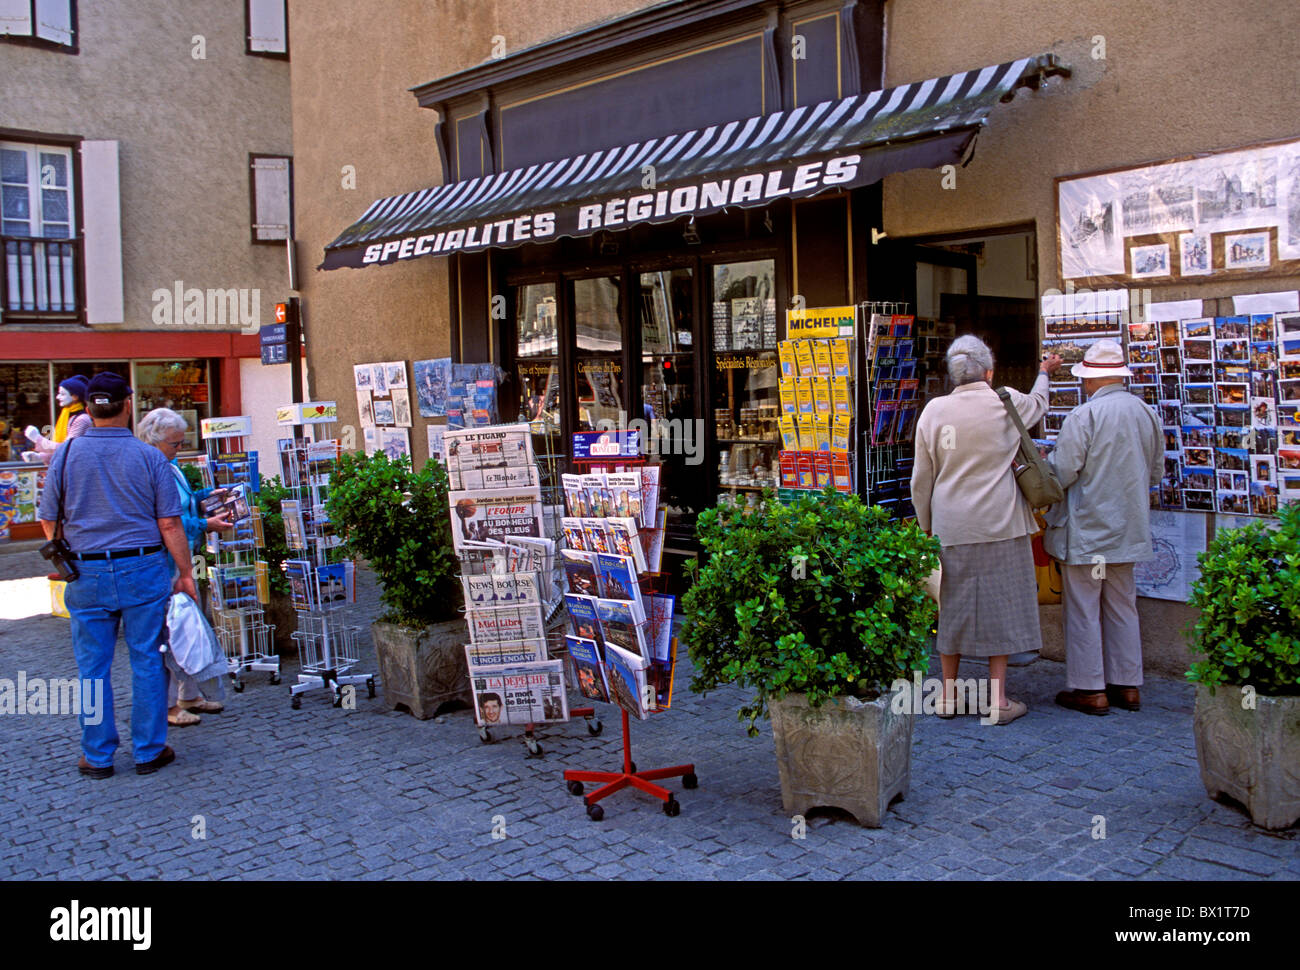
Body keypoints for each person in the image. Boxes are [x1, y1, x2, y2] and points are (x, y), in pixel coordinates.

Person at [38, 372, 196, 778]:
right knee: (146, 659)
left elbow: (47, 519)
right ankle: (148, 749)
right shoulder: (148, 456)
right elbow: (170, 524)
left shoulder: (67, 454)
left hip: (85, 571)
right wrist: (185, 572)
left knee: (92, 667)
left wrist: (69, 548)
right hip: (141, 567)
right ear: (128, 406)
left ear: (88, 408)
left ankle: (97, 755)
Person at [910, 335, 1062, 725]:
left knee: (951, 608)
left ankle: (947, 695)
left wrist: (928, 527)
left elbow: (921, 481)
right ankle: (997, 700)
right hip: (1001, 523)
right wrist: (1044, 372)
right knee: (1002, 608)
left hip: (951, 525)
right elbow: (1041, 402)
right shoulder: (1005, 402)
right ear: (989, 371)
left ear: (953, 373)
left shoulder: (934, 411)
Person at [1044, 339, 1162, 716]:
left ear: (1092, 380)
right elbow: (1155, 473)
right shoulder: (1146, 413)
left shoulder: (1084, 416)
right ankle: (1127, 685)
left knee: (1083, 608)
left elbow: (1064, 472)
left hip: (1089, 531)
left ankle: (1090, 688)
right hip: (1127, 530)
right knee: (1123, 606)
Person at [137, 407, 231, 727]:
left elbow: (185, 502)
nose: (180, 449)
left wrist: (208, 496)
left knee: (195, 617)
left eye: (181, 443)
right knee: (171, 629)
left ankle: (189, 694)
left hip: (191, 556)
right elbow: (169, 521)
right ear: (154, 441)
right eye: (175, 444)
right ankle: (168, 706)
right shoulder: (151, 469)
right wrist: (205, 523)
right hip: (170, 561)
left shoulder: (170, 463)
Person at [24, 374, 92, 461]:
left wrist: (37, 439)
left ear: (75, 397)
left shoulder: (82, 419)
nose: (58, 397)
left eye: (62, 394)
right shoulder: (67, 415)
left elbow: (67, 448)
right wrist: (40, 457)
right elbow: (62, 449)